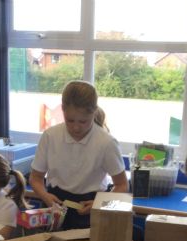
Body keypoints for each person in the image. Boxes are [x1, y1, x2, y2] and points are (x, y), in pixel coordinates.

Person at [29, 80, 129, 230]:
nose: (76, 127)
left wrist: (100, 204)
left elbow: (122, 185)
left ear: (94, 112)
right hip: (55, 203)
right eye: (70, 120)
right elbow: (35, 178)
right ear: (62, 109)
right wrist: (45, 196)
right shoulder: (50, 136)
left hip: (91, 205)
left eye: (83, 121)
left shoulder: (106, 143)